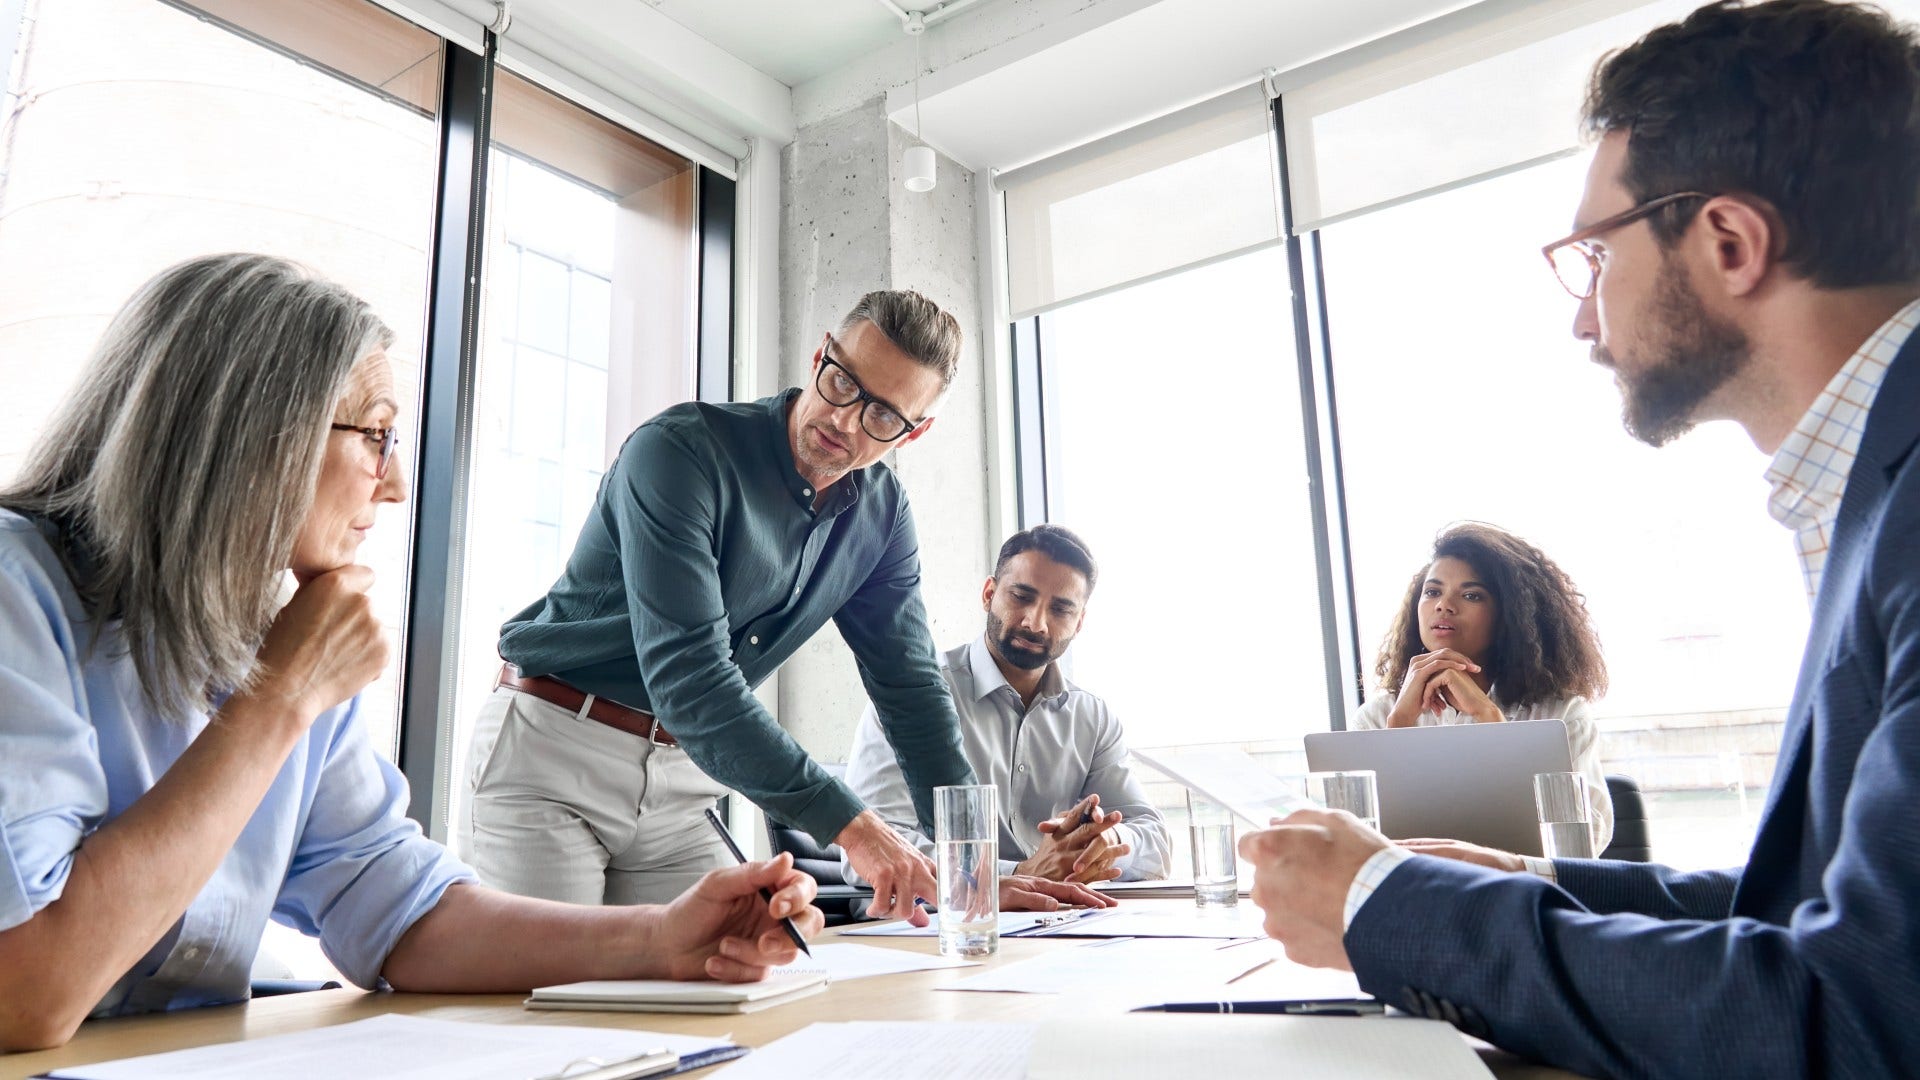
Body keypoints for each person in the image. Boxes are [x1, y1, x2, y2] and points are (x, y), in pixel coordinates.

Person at [1238, 2, 1920, 1075]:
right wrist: (1536, 883)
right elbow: (1810, 911)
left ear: (1731, 241)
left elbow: (1863, 1021)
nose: (1582, 319)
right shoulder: (1871, 487)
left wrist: (1391, 908)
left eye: (1592, 257)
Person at [0, 255, 822, 1053]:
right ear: (252, 435)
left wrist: (662, 939)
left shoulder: (285, 637)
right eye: (377, 437)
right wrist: (281, 701)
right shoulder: (19, 593)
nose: (394, 488)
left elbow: (395, 907)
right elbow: (26, 992)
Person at [462, 291, 1101, 920]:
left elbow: (911, 692)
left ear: (916, 430)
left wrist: (974, 871)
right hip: (553, 754)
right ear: (822, 353)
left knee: (733, 988)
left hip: (682, 782)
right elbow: (693, 680)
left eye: (884, 416)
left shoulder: (881, 515)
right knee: (551, 1007)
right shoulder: (680, 453)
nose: (845, 421)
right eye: (842, 383)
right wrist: (855, 828)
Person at [842, 525, 1170, 896]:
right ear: (989, 594)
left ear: (1079, 623)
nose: (1036, 623)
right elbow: (873, 845)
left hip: (1054, 925)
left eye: (1060, 609)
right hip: (935, 928)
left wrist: (1102, 841)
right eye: (1021, 596)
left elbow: (1155, 841)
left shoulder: (1091, 718)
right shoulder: (909, 694)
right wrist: (1018, 873)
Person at [1354, 522, 1613, 850]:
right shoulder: (1378, 718)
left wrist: (1490, 720)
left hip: (1520, 893)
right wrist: (1398, 732)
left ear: (1510, 615)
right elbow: (1357, 850)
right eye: (1433, 592)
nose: (1443, 605)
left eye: (1471, 595)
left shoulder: (1560, 716)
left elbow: (1581, 844)